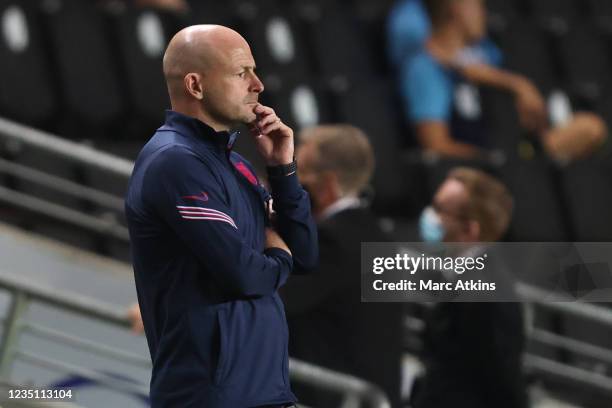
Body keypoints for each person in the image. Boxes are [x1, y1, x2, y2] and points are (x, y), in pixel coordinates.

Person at [124, 25, 318, 408]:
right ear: (195, 85)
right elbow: (245, 274)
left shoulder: (236, 165)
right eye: (240, 72)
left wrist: (283, 171)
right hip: (211, 396)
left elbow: (306, 254)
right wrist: (280, 257)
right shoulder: (175, 162)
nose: (258, 84)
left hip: (261, 392)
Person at [280, 125, 404, 407]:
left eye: (298, 173)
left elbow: (275, 298)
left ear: (327, 184)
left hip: (329, 397)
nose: (289, 182)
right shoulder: (380, 238)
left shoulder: (332, 240)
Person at [401, 0, 607, 161]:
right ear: (457, 7)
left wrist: (518, 90)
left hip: (516, 147)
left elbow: (527, 118)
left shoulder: (486, 52)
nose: (484, 14)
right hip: (485, 165)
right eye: (478, 5)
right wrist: (494, 160)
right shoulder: (424, 68)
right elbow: (436, 146)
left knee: (591, 128)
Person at [413, 167, 527, 408]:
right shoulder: (450, 275)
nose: (429, 216)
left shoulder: (487, 296)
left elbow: (501, 379)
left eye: (439, 210)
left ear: (470, 230)